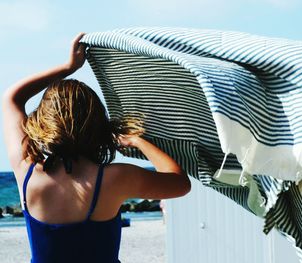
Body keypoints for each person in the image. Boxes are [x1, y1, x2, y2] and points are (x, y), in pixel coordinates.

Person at [1, 33, 191, 263]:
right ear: (98, 124)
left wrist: (68, 67)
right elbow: (179, 183)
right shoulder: (116, 177)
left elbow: (12, 98)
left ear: (43, 122)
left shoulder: (27, 172)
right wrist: (138, 141)